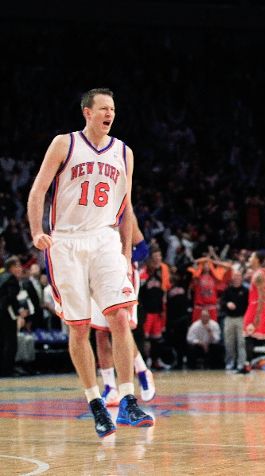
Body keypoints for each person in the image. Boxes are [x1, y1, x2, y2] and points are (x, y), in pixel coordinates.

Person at [27, 88, 153, 437]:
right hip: (66, 241)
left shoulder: (124, 152)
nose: (109, 113)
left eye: (112, 108)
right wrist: (37, 231)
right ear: (87, 112)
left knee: (120, 317)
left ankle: (128, 401)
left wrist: (126, 253)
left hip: (104, 238)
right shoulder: (64, 144)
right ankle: (96, 402)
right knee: (80, 327)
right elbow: (38, 190)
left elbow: (125, 207)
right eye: (102, 108)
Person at [91, 217, 156, 406]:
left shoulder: (122, 212)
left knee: (121, 328)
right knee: (100, 333)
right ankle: (110, 388)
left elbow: (143, 249)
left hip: (122, 273)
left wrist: (121, 259)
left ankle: (142, 371)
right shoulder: (90, 214)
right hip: (98, 274)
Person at [243, 251, 265, 368]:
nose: (250, 258)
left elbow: (262, 296)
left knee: (249, 335)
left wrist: (257, 315)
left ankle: (247, 365)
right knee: (260, 337)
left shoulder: (258, 275)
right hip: (259, 306)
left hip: (258, 306)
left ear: (257, 260)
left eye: (252, 256)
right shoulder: (260, 273)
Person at [0, 257, 29, 376]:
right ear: (11, 267)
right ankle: (8, 370)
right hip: (6, 315)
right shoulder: (12, 279)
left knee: (2, 342)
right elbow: (11, 298)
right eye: (17, 266)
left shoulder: (2, 277)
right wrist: (19, 313)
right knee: (11, 343)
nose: (20, 269)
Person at [221, 267, 249, 372]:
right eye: (235, 276)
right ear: (232, 278)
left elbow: (249, 305)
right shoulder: (227, 290)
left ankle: (241, 364)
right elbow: (222, 303)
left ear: (241, 278)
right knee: (229, 342)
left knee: (241, 342)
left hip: (241, 319)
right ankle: (230, 363)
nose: (237, 278)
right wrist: (227, 304)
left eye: (238, 276)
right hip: (229, 319)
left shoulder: (246, 291)